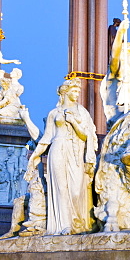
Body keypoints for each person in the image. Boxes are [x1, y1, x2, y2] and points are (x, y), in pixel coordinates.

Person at [28, 79, 98, 235]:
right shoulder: (54, 113)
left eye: (78, 91)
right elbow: (46, 138)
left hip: (76, 152)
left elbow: (87, 135)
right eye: (74, 91)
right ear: (65, 92)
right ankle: (65, 225)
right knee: (61, 188)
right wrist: (34, 157)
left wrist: (73, 121)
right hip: (58, 149)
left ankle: (77, 223)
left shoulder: (82, 111)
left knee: (76, 191)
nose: (77, 94)